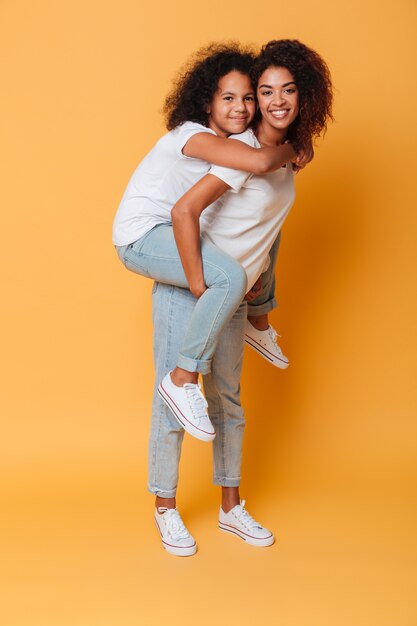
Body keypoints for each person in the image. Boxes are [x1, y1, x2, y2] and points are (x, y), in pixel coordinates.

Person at [147, 39, 334, 555]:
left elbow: (266, 225)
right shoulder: (241, 156)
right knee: (173, 402)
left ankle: (230, 508)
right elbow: (186, 212)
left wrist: (256, 287)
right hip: (194, 286)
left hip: (231, 292)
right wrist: (207, 283)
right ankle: (165, 509)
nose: (275, 101)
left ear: (305, 95)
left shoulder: (285, 156)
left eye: (286, 90)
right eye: (265, 91)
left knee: (227, 400)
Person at [113, 44, 305, 443]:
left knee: (267, 215)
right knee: (229, 277)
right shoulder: (194, 135)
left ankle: (259, 316)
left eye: (249, 98)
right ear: (206, 103)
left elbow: (258, 170)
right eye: (229, 98)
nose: (242, 108)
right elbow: (257, 162)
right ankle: (183, 379)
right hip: (140, 236)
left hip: (174, 231)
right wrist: (297, 147)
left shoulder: (231, 144)